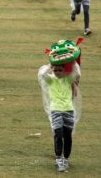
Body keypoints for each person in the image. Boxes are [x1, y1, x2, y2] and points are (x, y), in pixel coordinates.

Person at [39, 39, 82, 173]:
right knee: (58, 133)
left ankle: (66, 158)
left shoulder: (69, 79)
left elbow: (77, 73)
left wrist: (72, 59)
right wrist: (51, 63)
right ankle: (59, 158)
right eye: (55, 69)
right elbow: (42, 74)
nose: (57, 71)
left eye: (59, 69)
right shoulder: (51, 80)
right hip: (56, 110)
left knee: (67, 135)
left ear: (64, 70)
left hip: (69, 110)